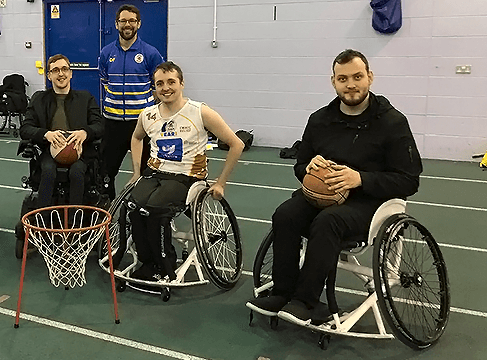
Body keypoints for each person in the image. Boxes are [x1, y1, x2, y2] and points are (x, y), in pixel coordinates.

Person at [246, 49, 423, 325]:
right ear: (333, 82)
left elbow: (409, 180)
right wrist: (309, 168)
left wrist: (360, 178)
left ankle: (306, 301)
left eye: (357, 77)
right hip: (325, 195)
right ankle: (282, 293)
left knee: (328, 222)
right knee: (286, 215)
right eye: (343, 78)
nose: (350, 84)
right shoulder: (319, 119)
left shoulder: (392, 122)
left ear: (370, 78)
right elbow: (300, 165)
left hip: (371, 201)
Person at [126, 61, 244, 284]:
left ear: (181, 83)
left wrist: (220, 182)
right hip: (156, 172)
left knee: (155, 209)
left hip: (188, 176)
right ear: (154, 87)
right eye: (160, 83)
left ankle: (165, 265)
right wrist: (135, 171)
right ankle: (147, 262)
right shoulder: (148, 115)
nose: (166, 88)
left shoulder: (200, 112)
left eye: (171, 82)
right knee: (134, 206)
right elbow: (136, 137)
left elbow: (236, 144)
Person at [20, 54, 104, 207]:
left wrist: (85, 132)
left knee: (77, 172)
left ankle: (74, 221)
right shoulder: (39, 99)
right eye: (56, 70)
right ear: (49, 75)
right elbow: (25, 128)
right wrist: (46, 134)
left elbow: (99, 125)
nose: (61, 74)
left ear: (70, 73)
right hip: (49, 152)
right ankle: (44, 220)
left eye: (65, 69)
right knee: (48, 171)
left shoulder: (85, 98)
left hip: (80, 152)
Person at [99, 4, 164, 199]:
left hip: (142, 125)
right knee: (105, 172)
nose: (127, 25)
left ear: (139, 24)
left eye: (132, 21)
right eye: (123, 21)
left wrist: (144, 108)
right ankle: (106, 210)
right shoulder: (106, 53)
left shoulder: (151, 53)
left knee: (147, 172)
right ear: (116, 24)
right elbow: (105, 82)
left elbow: (159, 87)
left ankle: (144, 211)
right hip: (112, 123)